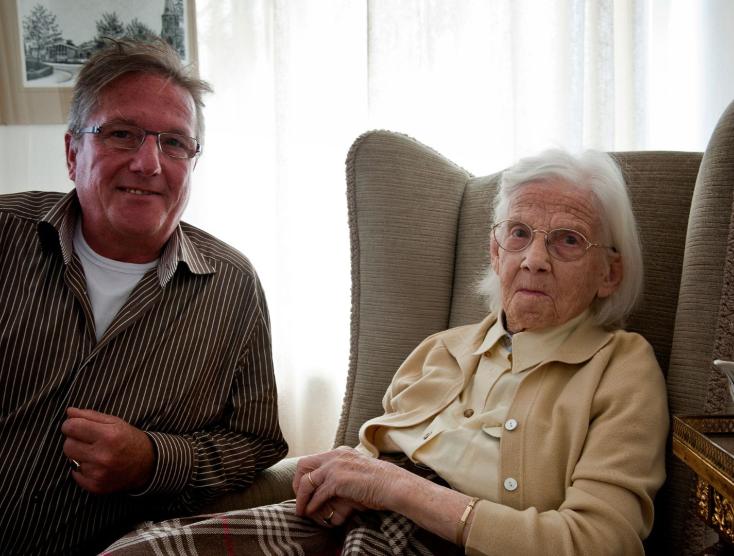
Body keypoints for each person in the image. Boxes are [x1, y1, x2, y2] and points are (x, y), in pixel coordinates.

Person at [103, 149, 668, 556]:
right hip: (346, 533)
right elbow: (364, 464)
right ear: (495, 251)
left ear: (608, 273)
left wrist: (398, 488)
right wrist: (328, 485)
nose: (535, 258)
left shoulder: (621, 367)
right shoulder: (439, 351)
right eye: (519, 233)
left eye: (567, 239)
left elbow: (603, 542)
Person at [0, 39, 287, 555]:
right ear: (72, 153)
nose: (148, 162)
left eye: (175, 143)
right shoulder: (4, 237)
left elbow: (258, 442)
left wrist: (153, 461)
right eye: (121, 134)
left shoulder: (233, 286)